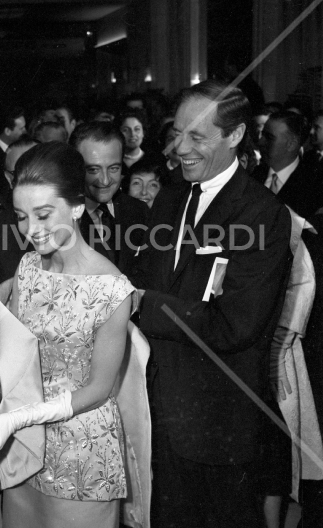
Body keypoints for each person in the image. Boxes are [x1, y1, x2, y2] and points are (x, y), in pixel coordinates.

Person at [131, 80, 293, 528]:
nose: (178, 148)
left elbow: (234, 325)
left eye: (197, 137)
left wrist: (140, 303)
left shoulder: (262, 214)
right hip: (158, 416)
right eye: (176, 133)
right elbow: (148, 276)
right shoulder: (168, 199)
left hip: (219, 426)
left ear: (235, 136)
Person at [0, 141, 144, 528]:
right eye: (22, 216)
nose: (31, 230)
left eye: (44, 215)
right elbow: (4, 348)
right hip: (25, 452)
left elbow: (99, 389)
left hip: (81, 456)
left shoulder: (112, 289)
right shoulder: (27, 268)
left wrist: (22, 417)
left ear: (77, 206)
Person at [69, 121, 148, 277]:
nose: (105, 180)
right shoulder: (63, 217)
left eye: (113, 168)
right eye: (93, 169)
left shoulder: (138, 210)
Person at [253, 110, 323, 219]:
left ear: (291, 144)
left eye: (269, 137)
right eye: (263, 135)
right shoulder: (254, 176)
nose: (260, 142)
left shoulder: (314, 186)